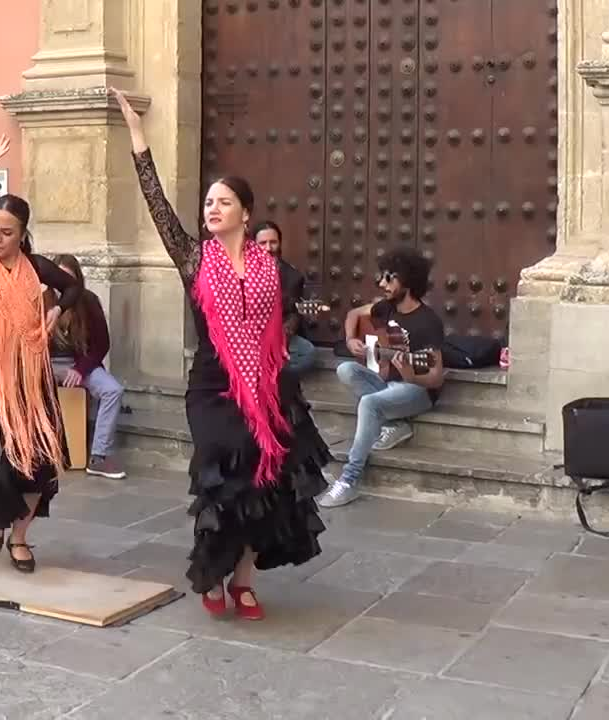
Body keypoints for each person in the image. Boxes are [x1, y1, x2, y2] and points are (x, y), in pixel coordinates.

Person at [114, 87, 330, 620]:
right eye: (208, 202)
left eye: (223, 202)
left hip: (268, 385)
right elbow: (157, 202)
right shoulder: (193, 257)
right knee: (222, 475)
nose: (212, 208)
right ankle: (212, 572)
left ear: (246, 212)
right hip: (213, 387)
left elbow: (293, 317)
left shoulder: (271, 268)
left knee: (269, 477)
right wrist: (137, 134)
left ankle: (244, 579)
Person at [0, 134, 83, 573]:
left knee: (40, 461)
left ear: (23, 235)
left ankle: (20, 538)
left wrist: (55, 310)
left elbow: (75, 287)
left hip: (32, 374)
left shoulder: (36, 267)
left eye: (7, 233)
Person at [317, 247, 446, 508]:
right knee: (346, 370)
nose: (381, 283)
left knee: (369, 404)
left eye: (389, 278)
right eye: (382, 277)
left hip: (418, 391)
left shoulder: (428, 322)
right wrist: (351, 339)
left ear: (407, 281)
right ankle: (396, 423)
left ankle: (350, 478)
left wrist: (411, 375)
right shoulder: (385, 308)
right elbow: (354, 315)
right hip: (388, 383)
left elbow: (435, 379)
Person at [48, 253, 127, 479]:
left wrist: (80, 369)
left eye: (69, 279)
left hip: (79, 364)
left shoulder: (88, 301)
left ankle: (99, 456)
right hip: (47, 364)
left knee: (112, 390)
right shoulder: (42, 300)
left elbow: (102, 344)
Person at [252, 221, 317, 375]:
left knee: (307, 353)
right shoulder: (240, 272)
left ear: (280, 243)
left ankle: (265, 374)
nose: (268, 248)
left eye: (273, 242)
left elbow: (294, 315)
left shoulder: (293, 277)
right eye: (262, 243)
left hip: (278, 335)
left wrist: (280, 338)